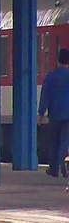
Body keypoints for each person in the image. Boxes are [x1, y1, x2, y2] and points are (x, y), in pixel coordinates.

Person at [38, 48, 69, 178]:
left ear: (58, 60)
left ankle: (54, 169)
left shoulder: (51, 76)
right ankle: (64, 167)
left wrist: (41, 114)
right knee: (65, 142)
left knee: (53, 142)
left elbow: (45, 95)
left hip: (55, 114)